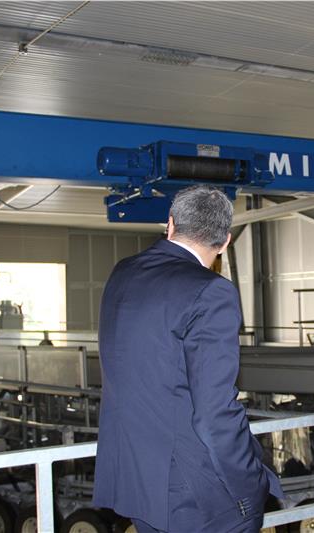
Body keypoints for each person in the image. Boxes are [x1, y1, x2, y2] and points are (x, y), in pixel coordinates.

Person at [92, 185, 282, 533]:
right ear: (225, 241)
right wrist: (249, 482)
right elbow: (214, 412)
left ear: (170, 224)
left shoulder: (123, 273)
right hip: (195, 494)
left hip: (136, 482)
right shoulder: (212, 292)